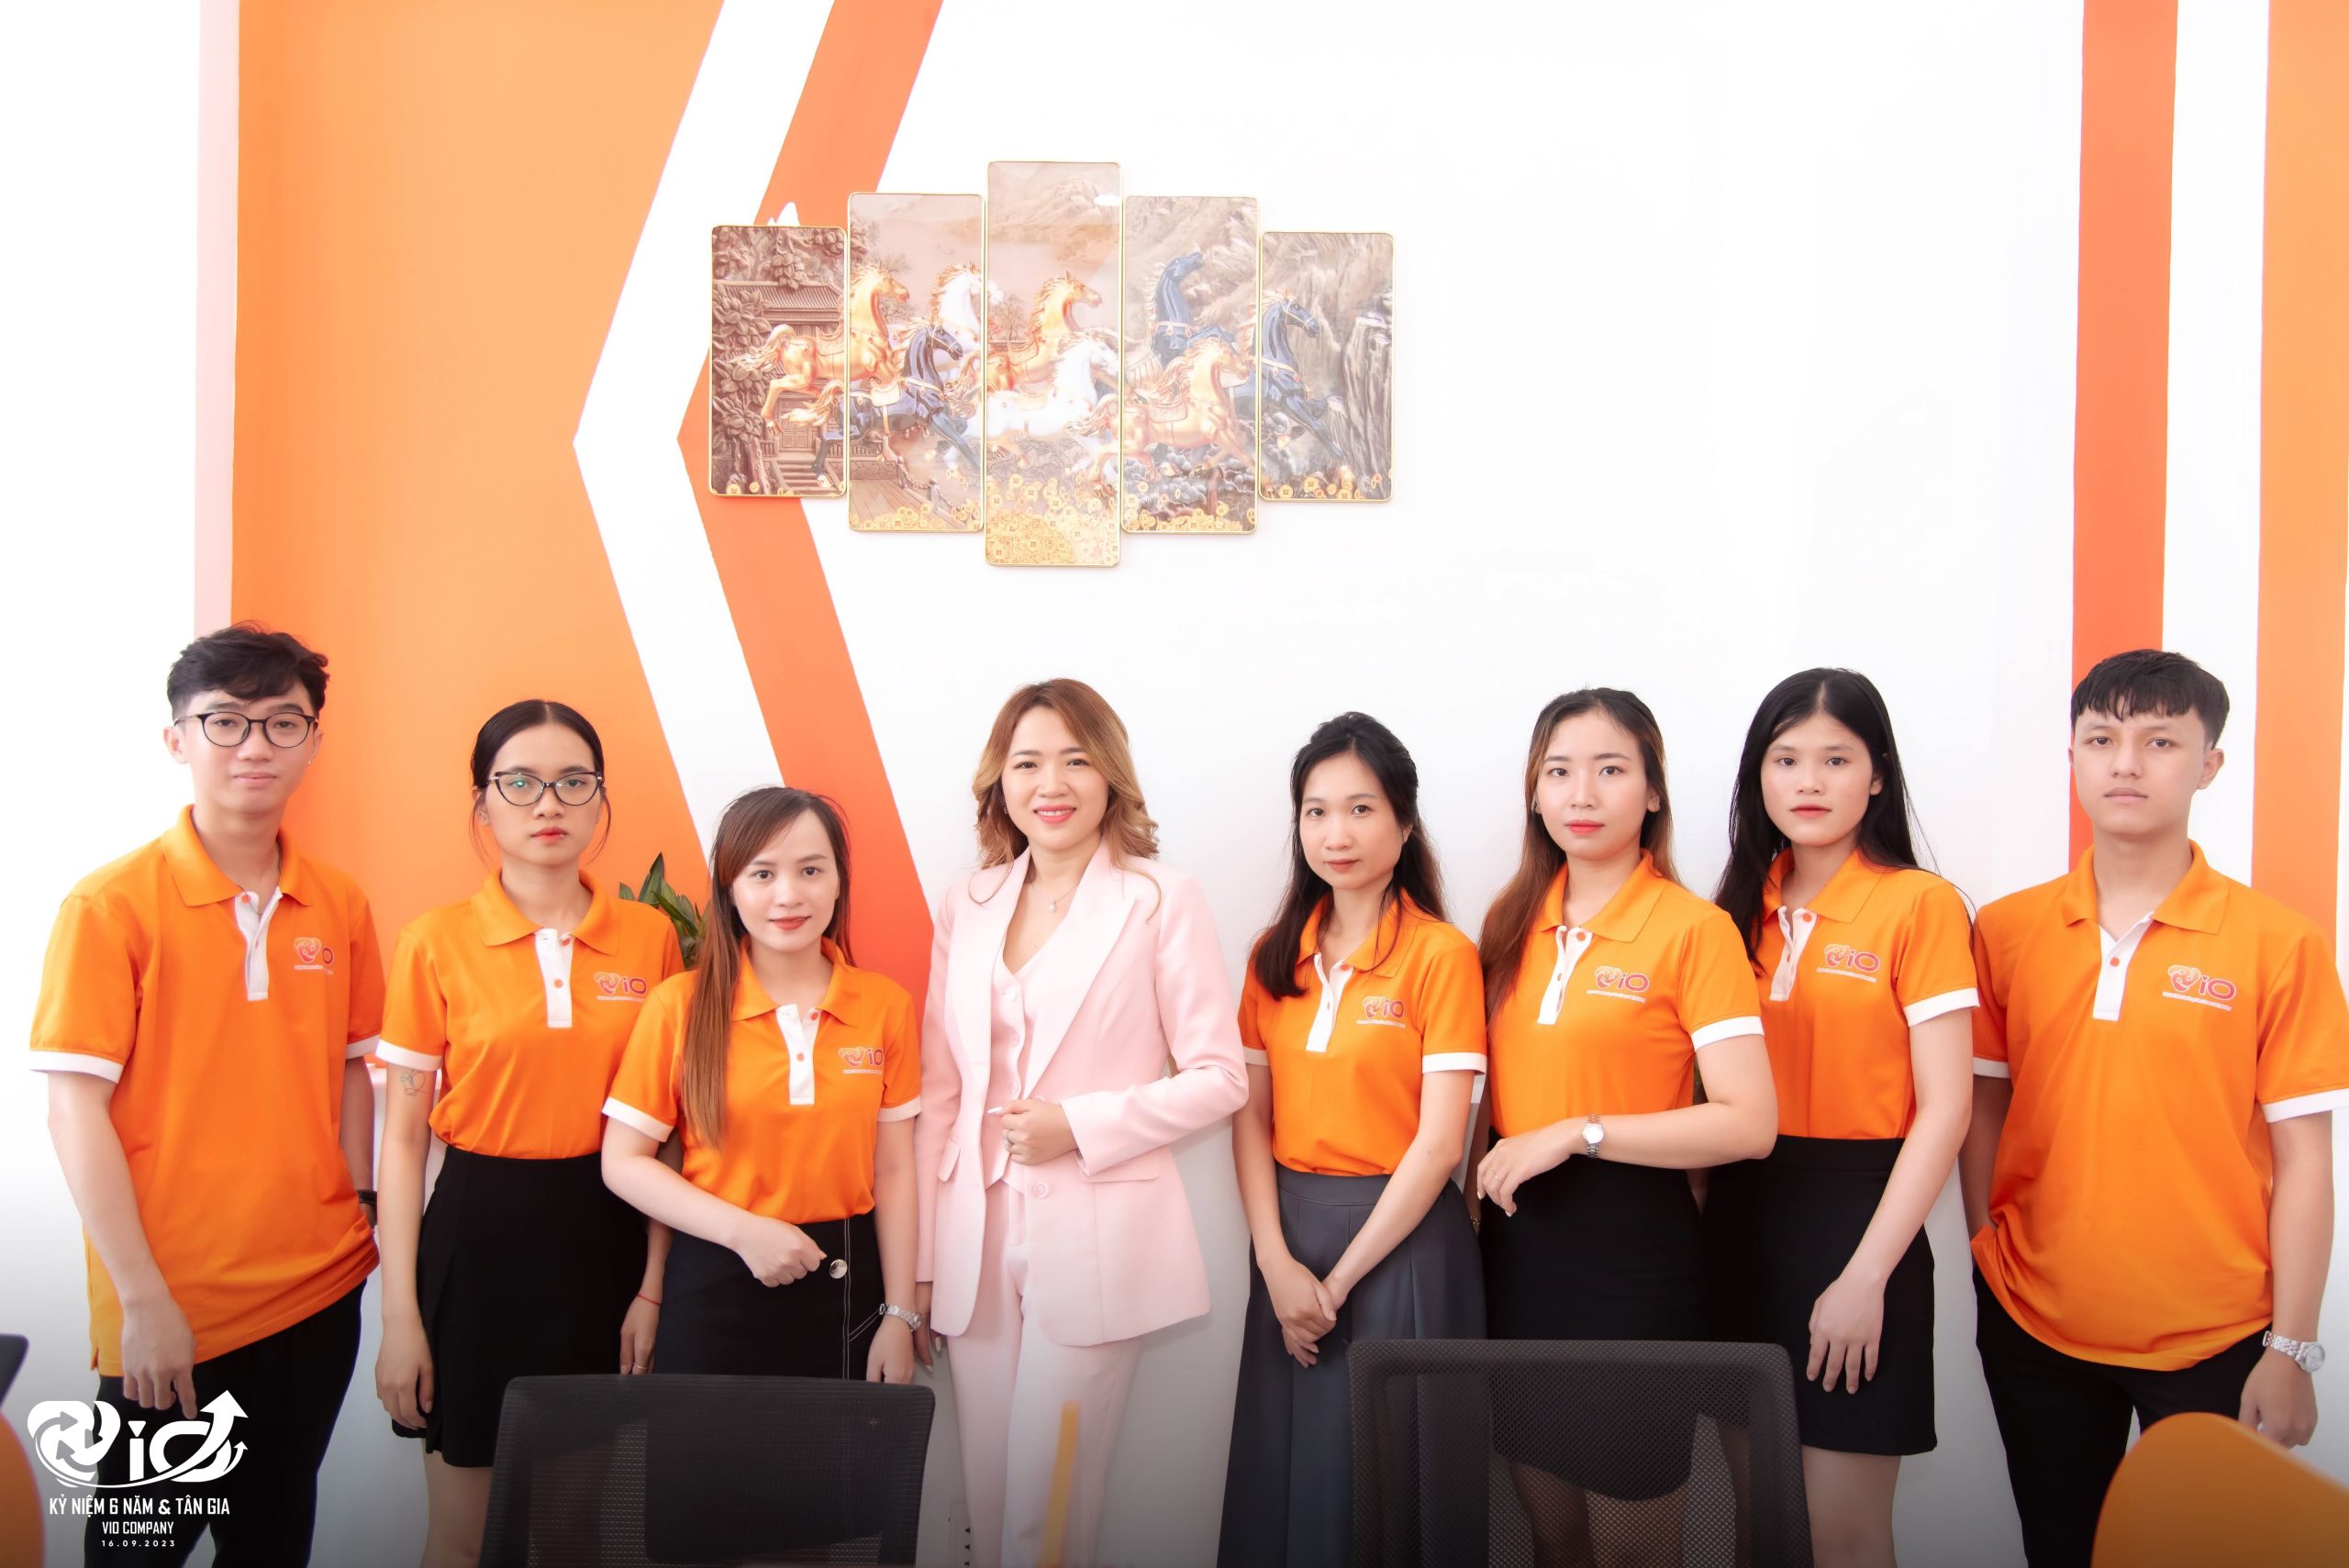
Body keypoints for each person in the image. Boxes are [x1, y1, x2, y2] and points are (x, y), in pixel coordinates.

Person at [1961, 650, 2349, 1567]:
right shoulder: (2007, 930)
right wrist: (1988, 1244)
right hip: (2035, 1321)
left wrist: (2292, 1347)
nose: (2125, 762)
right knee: (2061, 1549)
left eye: (2160, 741)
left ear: (2210, 763)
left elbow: (2305, 1157)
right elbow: (1982, 1105)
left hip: (2217, 1333)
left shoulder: (2279, 944)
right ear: (2072, 757)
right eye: (2101, 739)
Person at [33, 624, 382, 1565]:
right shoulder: (110, 905)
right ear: (176, 738)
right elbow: (73, 1108)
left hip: (317, 1289)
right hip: (174, 1304)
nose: (254, 744)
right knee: (135, 1552)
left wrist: (359, 1199)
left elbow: (352, 1064)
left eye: (282, 721)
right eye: (225, 720)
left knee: (273, 1543)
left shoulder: (338, 902)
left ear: (314, 740)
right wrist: (141, 1297)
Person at [913, 678, 1248, 1568]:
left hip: (1097, 1235)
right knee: (989, 1496)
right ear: (1000, 779)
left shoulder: (1159, 897)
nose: (1051, 783)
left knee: (1049, 1509)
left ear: (1110, 776)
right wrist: (923, 1263)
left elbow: (1220, 1077)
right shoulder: (967, 902)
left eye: (1075, 759)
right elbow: (941, 1091)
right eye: (1027, 762)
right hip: (976, 1234)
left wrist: (1080, 1123)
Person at [373, 700, 684, 1567]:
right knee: (465, 1539)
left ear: (599, 798)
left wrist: (653, 1286)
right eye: (519, 782)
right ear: (483, 802)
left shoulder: (651, 939)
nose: (548, 802)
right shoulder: (434, 941)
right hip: (477, 1244)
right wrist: (399, 1318)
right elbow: (402, 1141)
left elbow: (666, 1134)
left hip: (607, 1239)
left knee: (577, 1530)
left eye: (573, 781)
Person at [1474, 687, 1776, 1568]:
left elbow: (1750, 1122)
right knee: (1552, 1535)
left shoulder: (1695, 929)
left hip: (1633, 1263)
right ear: (1534, 792)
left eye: (1610, 769)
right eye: (1559, 771)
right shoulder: (1509, 924)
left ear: (1652, 791)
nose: (1582, 793)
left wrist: (1580, 1131)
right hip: (1520, 1257)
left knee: (1633, 1549)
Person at [1704, 670, 1976, 1568]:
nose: (1809, 781)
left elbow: (1947, 1107)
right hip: (1741, 1216)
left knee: (1842, 1538)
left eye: (1835, 759)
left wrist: (1865, 1276)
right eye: (1785, 759)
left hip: (1860, 1221)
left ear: (1877, 774)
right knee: (1758, 1524)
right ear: (1757, 776)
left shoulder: (1919, 903)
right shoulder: (1728, 913)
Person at [1217, 714, 1486, 1568]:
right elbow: (1249, 1121)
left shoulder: (1441, 955)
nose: (1337, 833)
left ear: (1405, 824)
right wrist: (1276, 1265)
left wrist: (1333, 1285)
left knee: (1392, 1487)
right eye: (1317, 811)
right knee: (1290, 1478)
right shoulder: (1273, 958)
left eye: (1362, 809)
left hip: (1404, 1246)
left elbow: (1441, 1145)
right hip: (1289, 1240)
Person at [601, 785, 920, 1384]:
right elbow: (623, 1162)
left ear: (839, 881)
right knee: (704, 1450)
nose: (788, 894)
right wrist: (745, 1233)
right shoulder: (679, 1006)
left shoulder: (885, 1006)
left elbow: (896, 1169)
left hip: (848, 1289)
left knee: (840, 1450)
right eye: (763, 873)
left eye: (811, 870)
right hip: (713, 1276)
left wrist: (900, 1314)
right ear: (730, 888)